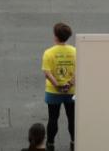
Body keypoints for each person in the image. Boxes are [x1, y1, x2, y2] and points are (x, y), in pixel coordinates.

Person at [41, 22, 76, 150]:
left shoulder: (48, 53)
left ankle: (50, 143)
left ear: (55, 36)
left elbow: (47, 72)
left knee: (53, 118)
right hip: (71, 91)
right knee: (72, 118)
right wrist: (69, 83)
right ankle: (73, 142)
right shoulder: (75, 51)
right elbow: (79, 70)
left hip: (53, 92)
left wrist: (57, 86)